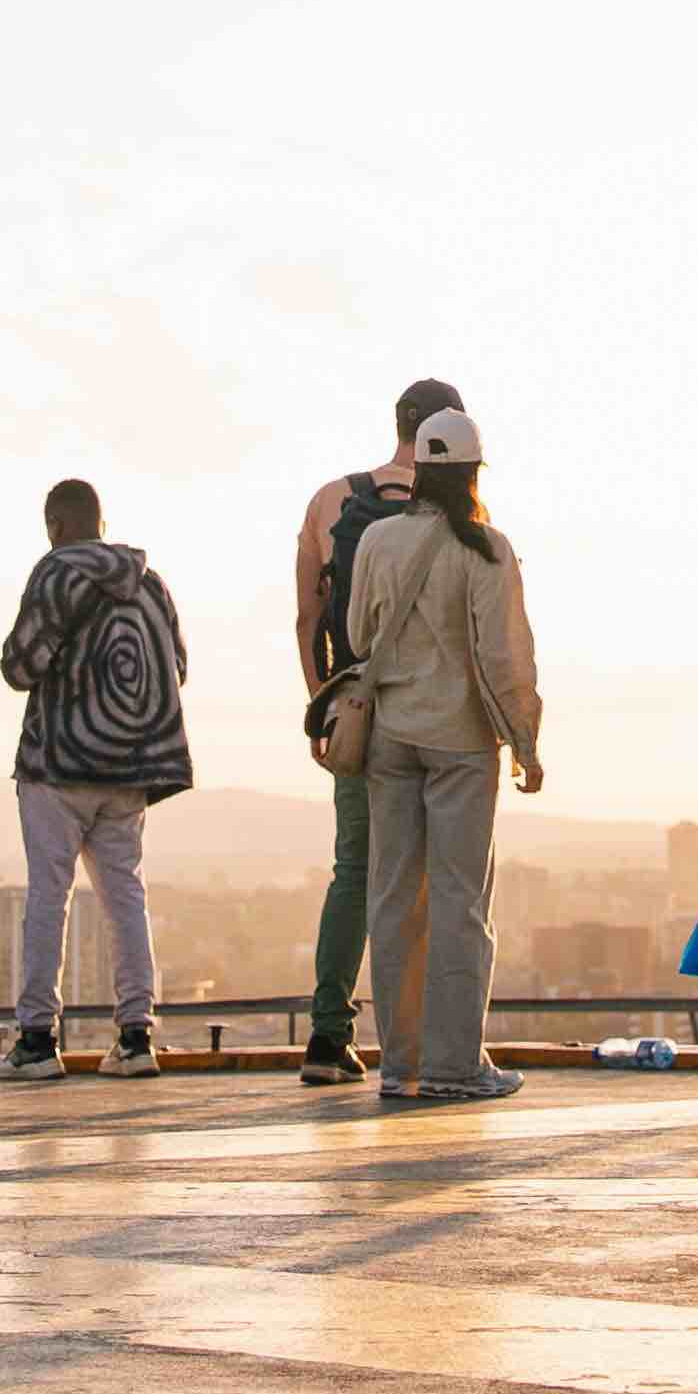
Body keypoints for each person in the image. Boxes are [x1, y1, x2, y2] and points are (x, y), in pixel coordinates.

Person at [337, 406, 545, 1105]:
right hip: (460, 741)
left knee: (394, 900)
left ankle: (400, 1064)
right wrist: (525, 741)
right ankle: (456, 1066)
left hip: (390, 733)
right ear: (471, 473)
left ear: (420, 469)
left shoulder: (376, 538)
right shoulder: (486, 547)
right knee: (460, 904)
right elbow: (504, 655)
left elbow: (358, 627)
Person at [285, 379, 456, 1089]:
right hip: (437, 714)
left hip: (355, 706)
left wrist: (323, 707)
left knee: (354, 871)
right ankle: (427, 1045)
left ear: (397, 424)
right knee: (434, 878)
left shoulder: (331, 499)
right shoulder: (459, 507)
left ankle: (328, 1038)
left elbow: (305, 617)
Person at [0, 479, 192, 1079]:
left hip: (57, 767)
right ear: (102, 524)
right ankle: (136, 1037)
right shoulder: (150, 583)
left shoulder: (54, 574)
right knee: (126, 898)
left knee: (48, 899)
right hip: (129, 768)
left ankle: (36, 1041)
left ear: (55, 524)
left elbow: (19, 666)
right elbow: (175, 668)